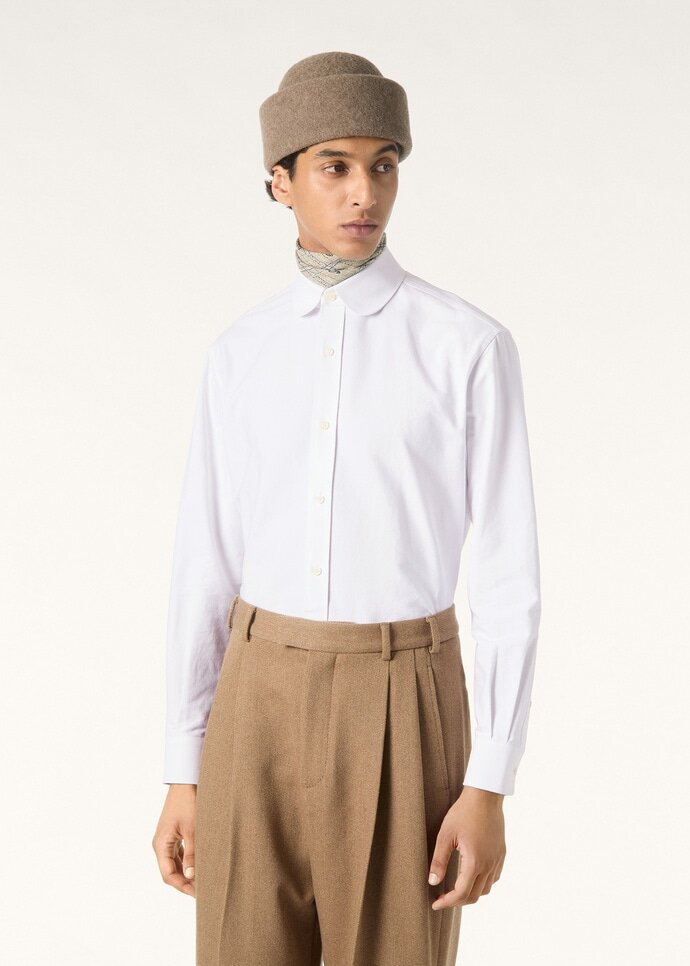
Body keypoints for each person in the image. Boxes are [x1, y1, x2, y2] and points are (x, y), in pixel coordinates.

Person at [152, 50, 541, 966]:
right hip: (254, 695)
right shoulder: (240, 352)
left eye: (384, 164)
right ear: (280, 182)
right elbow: (205, 563)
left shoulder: (467, 346)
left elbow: (508, 575)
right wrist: (182, 766)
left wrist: (490, 780)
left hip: (404, 692)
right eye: (334, 166)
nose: (364, 192)